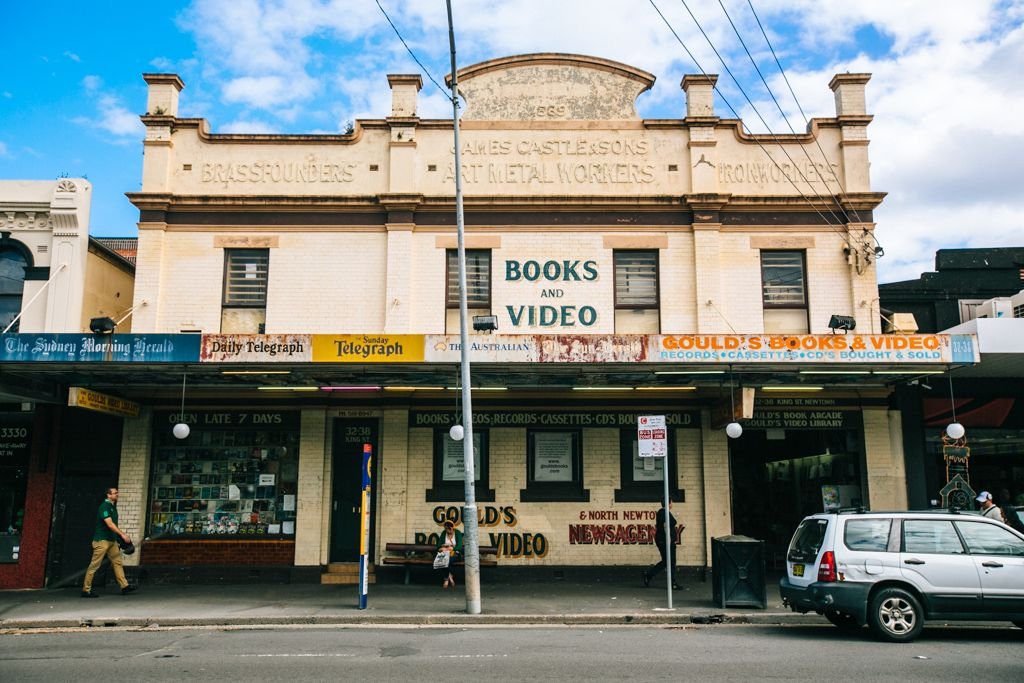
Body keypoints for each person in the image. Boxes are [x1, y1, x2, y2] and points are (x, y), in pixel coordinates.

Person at [81, 487, 136, 597]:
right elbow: (109, 524)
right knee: (95, 565)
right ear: (108, 495)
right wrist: (123, 534)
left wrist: (118, 538)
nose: (117, 494)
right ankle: (86, 590)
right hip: (102, 540)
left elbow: (113, 525)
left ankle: (124, 586)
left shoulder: (112, 507)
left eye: (117, 493)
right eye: (115, 493)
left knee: (117, 562)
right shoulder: (104, 507)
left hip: (112, 541)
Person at [643, 501, 682, 590]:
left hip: (662, 540)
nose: (672, 504)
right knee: (671, 561)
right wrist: (669, 541)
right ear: (669, 503)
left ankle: (648, 575)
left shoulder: (662, 512)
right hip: (665, 541)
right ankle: (672, 583)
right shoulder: (664, 513)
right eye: (671, 502)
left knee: (666, 561)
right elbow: (666, 527)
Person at [435, 519, 463, 589]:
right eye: (446, 529)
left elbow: (459, 546)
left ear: (453, 527)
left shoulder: (457, 533)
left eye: (449, 529)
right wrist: (442, 548)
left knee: (446, 561)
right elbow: (438, 546)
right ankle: (449, 575)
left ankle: (446, 579)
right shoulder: (444, 533)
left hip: (455, 554)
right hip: (445, 553)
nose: (448, 531)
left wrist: (452, 548)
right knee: (440, 560)